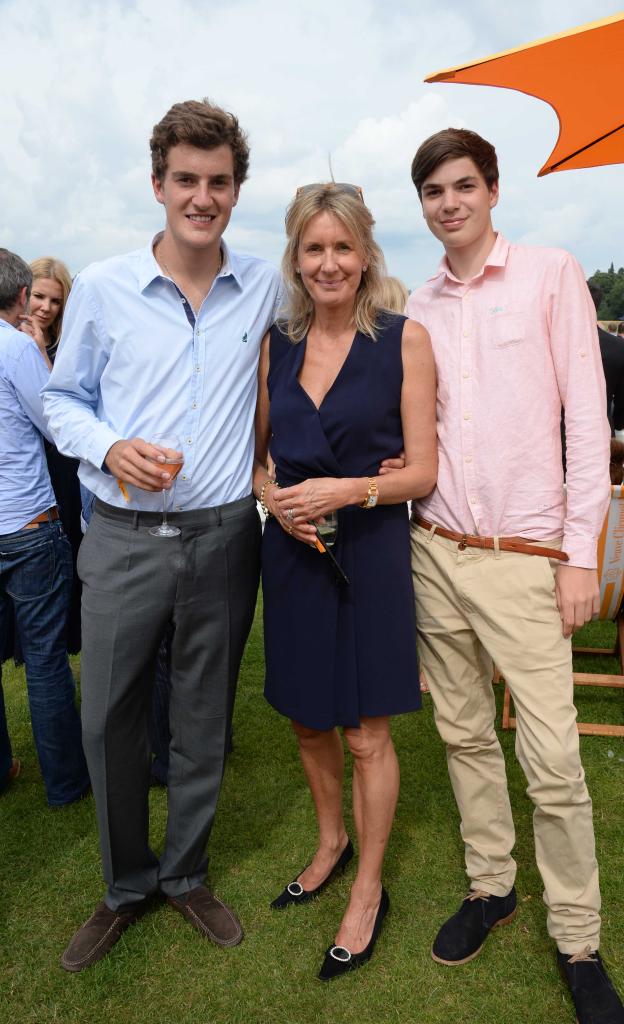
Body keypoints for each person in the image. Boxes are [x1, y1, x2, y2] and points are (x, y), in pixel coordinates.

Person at [43, 99, 281, 972]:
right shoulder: (103, 287)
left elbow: (339, 314)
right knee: (107, 716)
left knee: (203, 717)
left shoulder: (264, 283)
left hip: (224, 536)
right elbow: (61, 400)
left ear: (236, 189)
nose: (203, 196)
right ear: (158, 185)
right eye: (187, 179)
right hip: (124, 535)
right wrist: (110, 445)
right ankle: (123, 887)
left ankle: (185, 875)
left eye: (219, 182)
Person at [405, 129, 624, 1024]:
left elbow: (589, 422)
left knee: (556, 760)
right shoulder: (418, 302)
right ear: (421, 204)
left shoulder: (549, 273)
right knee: (461, 735)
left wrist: (581, 556)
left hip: (529, 561)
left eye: (463, 185)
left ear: (492, 190)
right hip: (436, 547)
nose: (449, 202)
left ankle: (579, 939)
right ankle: (491, 886)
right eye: (432, 191)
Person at [253, 183, 437, 980]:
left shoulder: (405, 340)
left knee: (367, 735)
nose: (328, 263)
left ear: (365, 255)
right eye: (313, 249)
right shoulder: (275, 346)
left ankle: (368, 888)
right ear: (297, 258)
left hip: (369, 553)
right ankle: (329, 842)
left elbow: (422, 470)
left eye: (343, 248)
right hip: (294, 555)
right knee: (304, 720)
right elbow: (260, 459)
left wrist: (349, 489)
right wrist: (275, 500)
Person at [0, 248, 89, 807]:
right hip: (29, 523)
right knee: (45, 661)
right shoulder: (16, 349)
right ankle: (66, 782)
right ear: (18, 297)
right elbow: (57, 423)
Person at [19, 258, 83, 654]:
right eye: (39, 297)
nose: (45, 307)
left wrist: (41, 352)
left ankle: (67, 640)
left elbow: (58, 408)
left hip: (62, 465)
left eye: (55, 300)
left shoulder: (66, 347)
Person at [588, 283, 624, 432]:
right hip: (601, 430)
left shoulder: (553, 343)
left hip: (557, 438)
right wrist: (615, 425)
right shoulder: (617, 346)